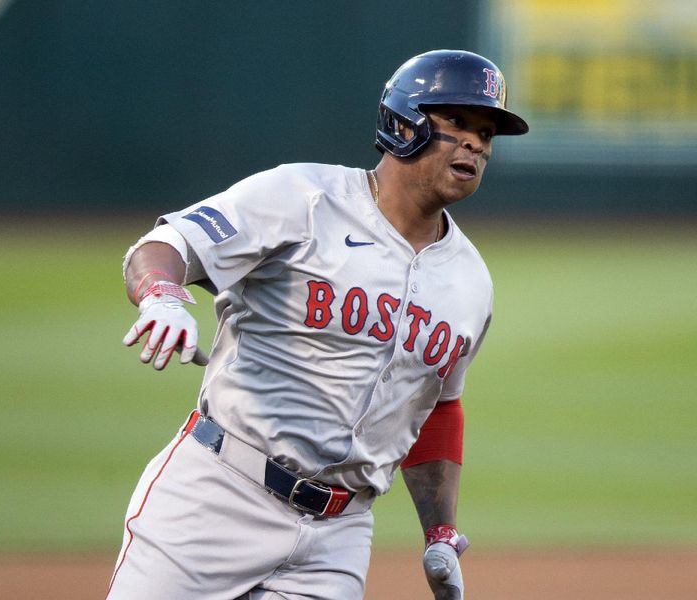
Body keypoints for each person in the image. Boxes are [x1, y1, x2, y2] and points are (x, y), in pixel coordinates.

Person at [106, 49, 528, 600]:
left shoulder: (472, 282)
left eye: (487, 132)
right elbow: (172, 242)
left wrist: (440, 530)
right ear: (404, 123)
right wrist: (160, 293)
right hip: (217, 498)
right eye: (458, 123)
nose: (476, 143)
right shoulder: (302, 197)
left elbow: (435, 407)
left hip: (337, 539)